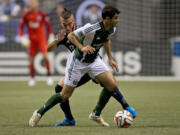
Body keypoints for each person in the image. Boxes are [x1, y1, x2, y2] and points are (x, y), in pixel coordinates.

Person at [29, 5, 137, 127]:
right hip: (78, 63)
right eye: (65, 25)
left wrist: (110, 59)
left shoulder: (86, 28)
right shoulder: (63, 34)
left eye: (70, 23)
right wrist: (57, 41)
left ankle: (104, 111)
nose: (68, 27)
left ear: (74, 20)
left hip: (94, 61)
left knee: (111, 84)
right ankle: (43, 114)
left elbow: (106, 39)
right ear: (61, 23)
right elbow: (48, 49)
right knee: (62, 93)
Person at [18, 0, 54, 86]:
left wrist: (51, 35)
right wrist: (22, 37)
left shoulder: (42, 14)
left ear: (37, 4)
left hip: (41, 39)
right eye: (30, 3)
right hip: (32, 41)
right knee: (31, 59)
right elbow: (20, 27)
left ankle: (49, 77)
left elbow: (48, 25)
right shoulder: (25, 15)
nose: (31, 4)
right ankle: (32, 78)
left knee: (45, 56)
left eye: (33, 3)